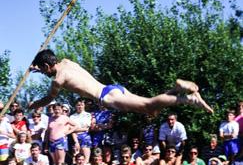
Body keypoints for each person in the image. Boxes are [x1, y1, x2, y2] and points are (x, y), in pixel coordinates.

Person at [29, 49, 213, 116]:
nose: (44, 73)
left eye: (43, 69)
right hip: (112, 88)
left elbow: (48, 99)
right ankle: (176, 89)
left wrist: (34, 105)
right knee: (152, 108)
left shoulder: (58, 80)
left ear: (47, 65)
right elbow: (51, 67)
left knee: (149, 106)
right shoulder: (68, 62)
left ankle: (188, 100)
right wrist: (37, 69)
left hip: (106, 97)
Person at [70, 98, 92, 163]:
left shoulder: (88, 115)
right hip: (75, 138)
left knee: (86, 160)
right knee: (75, 159)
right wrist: (76, 141)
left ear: (84, 105)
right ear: (75, 106)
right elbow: (72, 130)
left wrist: (75, 129)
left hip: (85, 138)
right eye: (78, 105)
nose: (80, 106)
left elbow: (87, 128)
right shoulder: (72, 116)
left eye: (81, 105)